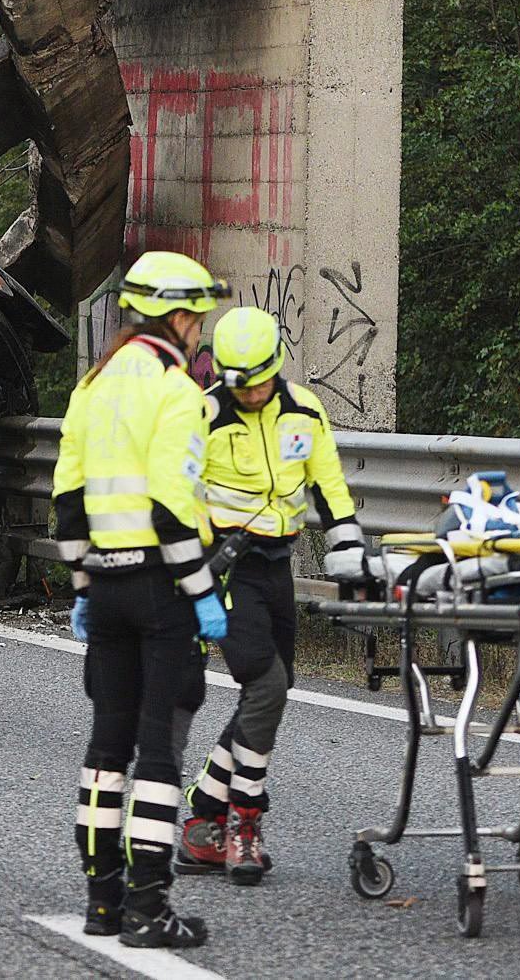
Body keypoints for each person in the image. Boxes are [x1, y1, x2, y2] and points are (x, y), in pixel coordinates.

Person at [52, 250, 228, 950]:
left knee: (105, 749)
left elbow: (67, 502)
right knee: (158, 753)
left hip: (108, 588)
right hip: (161, 591)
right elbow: (172, 508)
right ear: (176, 315)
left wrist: (85, 586)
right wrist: (203, 593)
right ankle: (149, 913)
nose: (198, 329)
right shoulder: (176, 389)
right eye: (196, 315)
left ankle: (103, 904)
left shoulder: (94, 384)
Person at [174, 306, 367, 884]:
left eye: (259, 380)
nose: (251, 392)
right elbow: (178, 499)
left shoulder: (305, 411)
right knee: (267, 685)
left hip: (276, 567)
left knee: (270, 695)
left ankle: (203, 817)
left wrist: (349, 553)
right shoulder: (204, 416)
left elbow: (330, 488)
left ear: (276, 366)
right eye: (239, 382)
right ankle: (243, 824)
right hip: (225, 570)